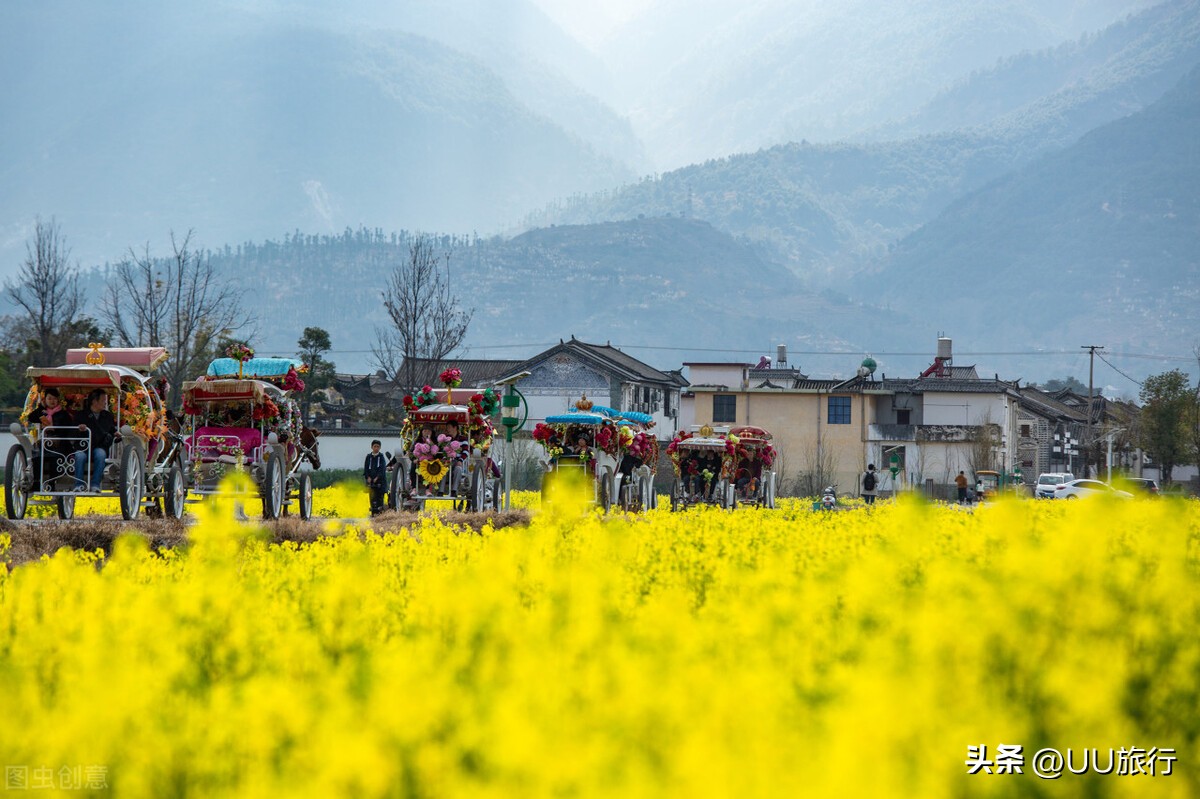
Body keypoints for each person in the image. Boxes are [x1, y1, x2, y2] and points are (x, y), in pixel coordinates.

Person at [73, 389, 117, 492]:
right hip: (83, 446)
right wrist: (79, 428)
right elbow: (72, 431)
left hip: (99, 446)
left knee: (101, 454)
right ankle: (78, 484)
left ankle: (95, 484)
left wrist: (115, 434)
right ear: (94, 401)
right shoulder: (81, 415)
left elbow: (111, 430)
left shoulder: (108, 416)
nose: (105, 402)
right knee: (79, 456)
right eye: (103, 400)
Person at [31, 388, 74, 488]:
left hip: (60, 442)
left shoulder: (63, 414)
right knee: (37, 455)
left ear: (58, 400)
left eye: (54, 398)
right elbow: (31, 418)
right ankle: (37, 481)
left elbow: (69, 430)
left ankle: (52, 483)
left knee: (55, 456)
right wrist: (40, 407)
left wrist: (54, 429)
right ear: (45, 400)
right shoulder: (42, 412)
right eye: (49, 398)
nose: (52, 401)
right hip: (46, 441)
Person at [364, 439, 387, 515]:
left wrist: (377, 478)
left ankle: (380, 512)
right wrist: (368, 477)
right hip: (371, 482)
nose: (376, 448)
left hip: (380, 482)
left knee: (379, 498)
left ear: (380, 448)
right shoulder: (368, 457)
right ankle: (373, 512)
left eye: (378, 446)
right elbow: (366, 468)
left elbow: (382, 469)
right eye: (375, 446)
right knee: (372, 497)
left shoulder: (381, 457)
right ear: (371, 447)